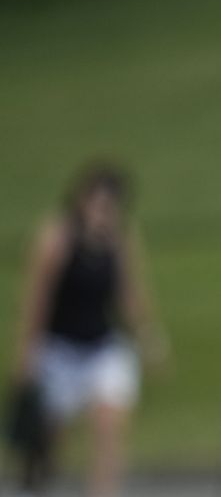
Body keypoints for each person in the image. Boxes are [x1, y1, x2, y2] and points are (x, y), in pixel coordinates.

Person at [9, 161, 168, 497]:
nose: (102, 214)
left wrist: (147, 335)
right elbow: (37, 300)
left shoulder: (120, 238)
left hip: (102, 347)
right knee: (50, 439)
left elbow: (129, 292)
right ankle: (36, 480)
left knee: (109, 425)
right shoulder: (57, 237)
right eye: (97, 204)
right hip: (59, 350)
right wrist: (26, 356)